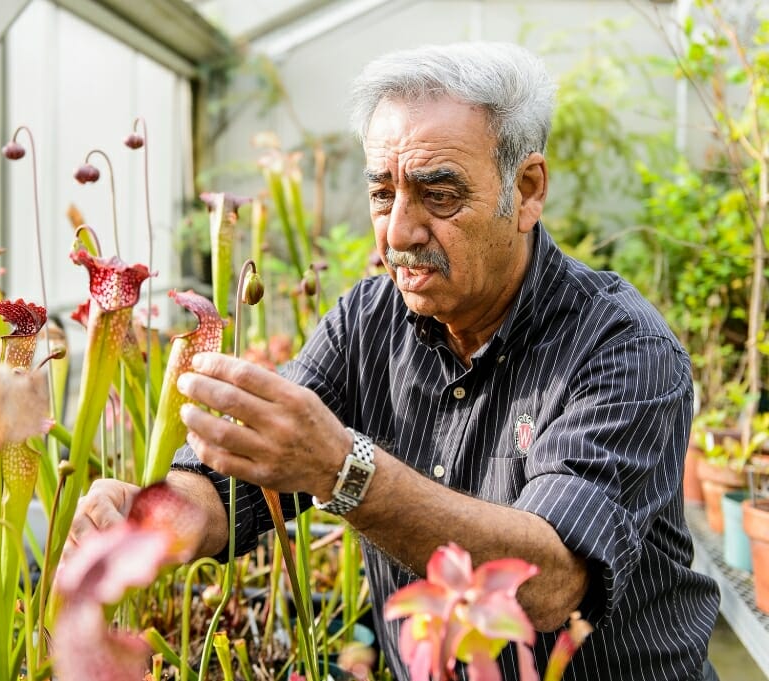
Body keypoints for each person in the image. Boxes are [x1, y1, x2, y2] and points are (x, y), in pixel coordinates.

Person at [74, 42, 721, 680]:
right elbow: (239, 475)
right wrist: (149, 519)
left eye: (439, 195)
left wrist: (341, 470)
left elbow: (549, 580)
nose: (399, 232)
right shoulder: (368, 321)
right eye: (384, 193)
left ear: (526, 190)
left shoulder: (621, 347)